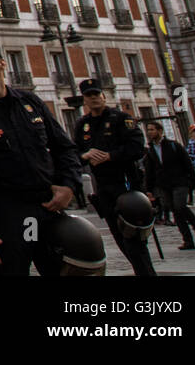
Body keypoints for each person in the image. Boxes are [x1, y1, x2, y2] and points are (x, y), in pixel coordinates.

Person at [0, 38, 81, 275]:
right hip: (10, 212)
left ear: (2, 63)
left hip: (49, 206)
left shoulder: (31, 103)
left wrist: (68, 185)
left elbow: (64, 148)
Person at [73, 80, 157, 276]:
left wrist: (111, 155)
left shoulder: (121, 119)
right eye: (89, 95)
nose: (93, 98)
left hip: (127, 184)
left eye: (96, 94)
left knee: (134, 239)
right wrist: (85, 155)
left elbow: (137, 148)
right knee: (120, 238)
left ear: (103, 96)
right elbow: (74, 154)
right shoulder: (82, 125)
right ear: (84, 99)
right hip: (104, 188)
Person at [142, 121, 195, 249]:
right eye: (148, 130)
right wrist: (149, 190)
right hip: (164, 185)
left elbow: (188, 165)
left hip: (180, 182)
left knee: (180, 206)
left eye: (152, 129)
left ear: (160, 131)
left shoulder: (173, 145)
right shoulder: (150, 150)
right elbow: (150, 172)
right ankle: (188, 240)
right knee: (175, 211)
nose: (149, 132)